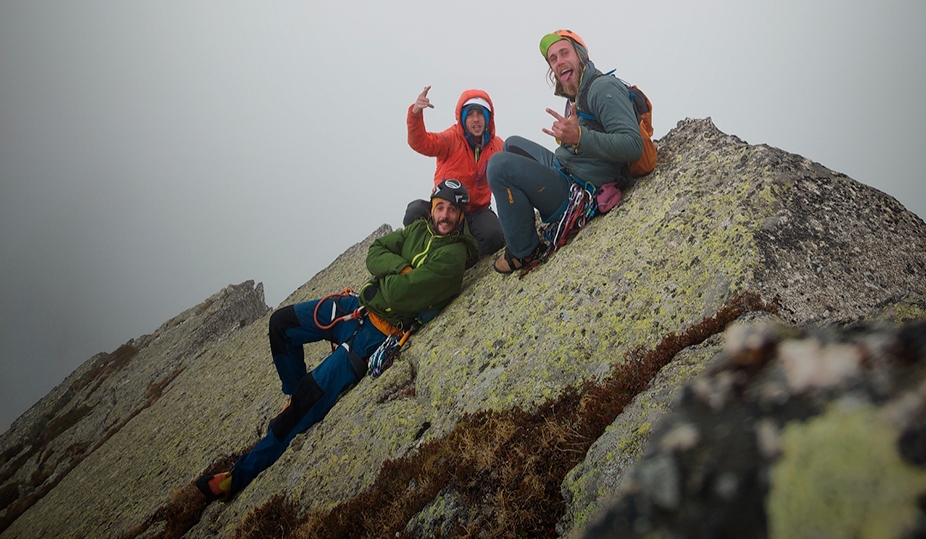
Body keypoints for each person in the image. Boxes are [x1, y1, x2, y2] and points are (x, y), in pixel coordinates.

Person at [196, 179, 477, 502]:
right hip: (355, 309)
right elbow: (375, 251)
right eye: (440, 207)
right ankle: (292, 391)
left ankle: (237, 477)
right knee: (281, 324)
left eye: (452, 210)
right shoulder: (417, 230)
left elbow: (402, 294)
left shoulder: (453, 258)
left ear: (460, 216)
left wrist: (376, 287)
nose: (444, 215)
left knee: (306, 401)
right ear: (431, 207)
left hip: (375, 336)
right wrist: (399, 267)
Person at [486, 30, 643, 274]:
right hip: (567, 169)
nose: (559, 62)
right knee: (512, 145)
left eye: (564, 53)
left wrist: (579, 137)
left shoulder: (602, 88)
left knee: (499, 166)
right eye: (552, 59)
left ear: (581, 56)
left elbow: (633, 146)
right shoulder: (578, 95)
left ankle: (524, 252)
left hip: (579, 189)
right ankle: (523, 230)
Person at [404, 86, 505, 262]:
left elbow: (512, 168)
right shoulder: (451, 139)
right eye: (470, 114)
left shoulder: (497, 146)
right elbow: (420, 143)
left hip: (476, 211)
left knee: (494, 236)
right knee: (415, 212)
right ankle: (421, 253)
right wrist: (415, 114)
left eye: (480, 114)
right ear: (463, 118)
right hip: (446, 207)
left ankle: (463, 259)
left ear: (488, 118)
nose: (476, 120)